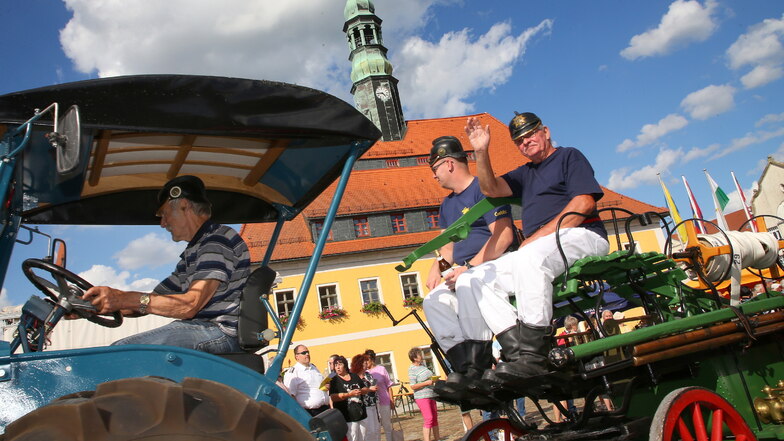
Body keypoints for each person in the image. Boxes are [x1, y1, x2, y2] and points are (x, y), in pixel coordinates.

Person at [463, 112, 610, 385]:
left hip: (582, 234)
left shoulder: (569, 156)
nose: (525, 142)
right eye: (519, 140)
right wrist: (481, 151)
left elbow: (583, 205)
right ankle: (516, 354)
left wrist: (537, 238)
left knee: (529, 255)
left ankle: (535, 355)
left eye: (530, 134)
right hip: (543, 249)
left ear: (546, 131)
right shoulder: (525, 173)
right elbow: (491, 189)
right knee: (474, 279)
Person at [83, 175, 250, 353]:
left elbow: (189, 306)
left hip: (221, 332)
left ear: (184, 205)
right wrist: (90, 307)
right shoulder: (193, 252)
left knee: (123, 352)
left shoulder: (216, 240)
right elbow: (149, 303)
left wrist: (122, 298)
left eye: (164, 214)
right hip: (203, 328)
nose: (162, 224)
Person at [421, 135, 516, 400]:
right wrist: (436, 266)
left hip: (495, 264)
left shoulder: (482, 189)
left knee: (465, 282)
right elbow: (448, 248)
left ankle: (480, 363)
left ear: (449, 164)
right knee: (433, 301)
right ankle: (464, 370)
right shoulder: (447, 204)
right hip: (466, 271)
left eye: (435, 169)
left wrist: (468, 267)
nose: (434, 176)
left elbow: (503, 237)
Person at [284, 344, 331, 416]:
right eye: (304, 353)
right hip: (309, 412)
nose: (307, 354)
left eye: (308, 352)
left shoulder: (313, 367)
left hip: (324, 408)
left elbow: (318, 386)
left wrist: (325, 386)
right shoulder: (294, 372)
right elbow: (291, 395)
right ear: (297, 356)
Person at [330, 355, 369, 441]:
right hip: (347, 416)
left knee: (364, 437)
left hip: (360, 412)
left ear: (345, 365)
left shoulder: (354, 376)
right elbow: (333, 397)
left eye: (340, 364)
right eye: (336, 365)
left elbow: (365, 389)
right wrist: (349, 394)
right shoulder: (334, 380)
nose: (338, 367)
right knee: (352, 437)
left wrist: (360, 391)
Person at [408, 347, 440, 441]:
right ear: (414, 357)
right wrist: (426, 383)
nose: (421, 356)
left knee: (434, 418)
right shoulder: (412, 369)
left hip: (431, 394)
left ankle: (437, 439)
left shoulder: (423, 366)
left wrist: (434, 379)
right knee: (429, 418)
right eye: (419, 354)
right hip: (422, 396)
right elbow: (413, 386)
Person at [364, 349, 395, 441]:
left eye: (367, 360)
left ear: (372, 359)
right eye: (364, 360)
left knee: (387, 425)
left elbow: (389, 386)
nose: (366, 362)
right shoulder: (365, 373)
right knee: (375, 427)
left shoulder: (381, 369)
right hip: (372, 403)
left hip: (384, 400)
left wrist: (391, 400)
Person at [353, 354, 380, 441]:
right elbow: (358, 391)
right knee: (369, 430)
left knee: (377, 429)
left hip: (374, 403)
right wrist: (369, 389)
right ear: (359, 364)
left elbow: (373, 384)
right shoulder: (355, 377)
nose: (366, 364)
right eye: (364, 363)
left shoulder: (368, 375)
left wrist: (375, 387)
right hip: (364, 405)